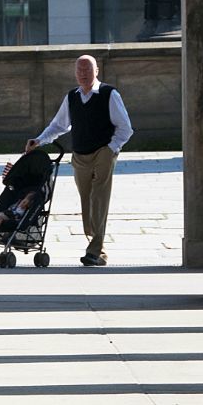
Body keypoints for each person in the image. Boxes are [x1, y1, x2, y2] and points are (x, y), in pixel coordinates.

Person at [26, 54, 133, 267]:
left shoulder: (109, 94)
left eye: (88, 69)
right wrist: (39, 141)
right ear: (75, 73)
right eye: (79, 70)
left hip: (103, 151)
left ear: (97, 71)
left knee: (99, 198)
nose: (83, 74)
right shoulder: (72, 97)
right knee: (86, 201)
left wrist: (111, 149)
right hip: (80, 154)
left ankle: (93, 251)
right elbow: (59, 125)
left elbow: (125, 128)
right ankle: (98, 249)